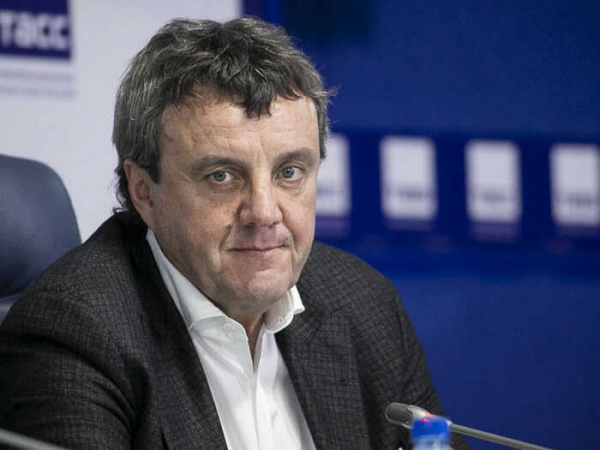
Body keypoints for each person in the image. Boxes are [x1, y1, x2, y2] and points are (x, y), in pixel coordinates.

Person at [0, 17, 468, 450]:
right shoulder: (74, 334)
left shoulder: (365, 305)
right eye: (222, 176)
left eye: (289, 171)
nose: (264, 212)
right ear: (143, 191)